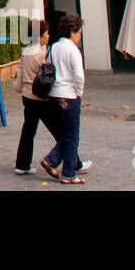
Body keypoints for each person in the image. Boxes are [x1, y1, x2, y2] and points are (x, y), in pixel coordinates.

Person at [14, 20, 88, 176]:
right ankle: (73, 163)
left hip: (27, 96)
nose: (48, 36)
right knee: (64, 132)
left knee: (28, 131)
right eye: (46, 34)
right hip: (41, 98)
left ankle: (22, 164)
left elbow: (20, 74)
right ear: (40, 36)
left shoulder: (25, 51)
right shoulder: (41, 54)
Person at [42, 14, 90, 185]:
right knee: (72, 136)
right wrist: (79, 92)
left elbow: (46, 67)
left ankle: (52, 160)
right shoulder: (73, 50)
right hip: (69, 95)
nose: (79, 38)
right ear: (72, 33)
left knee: (65, 133)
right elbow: (78, 75)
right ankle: (68, 173)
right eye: (78, 34)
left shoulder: (54, 47)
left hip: (53, 95)